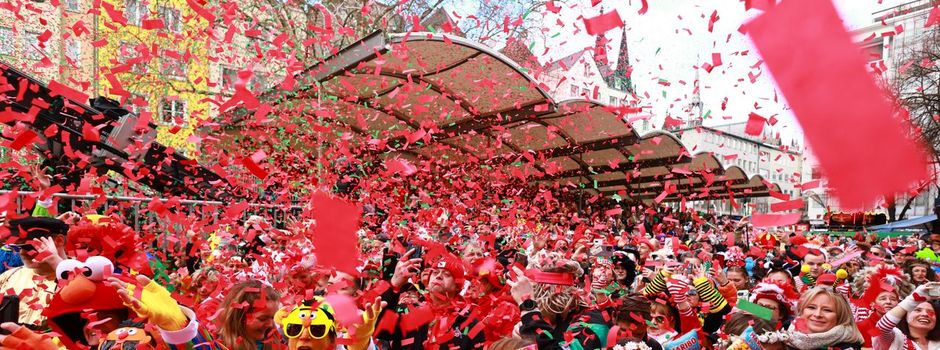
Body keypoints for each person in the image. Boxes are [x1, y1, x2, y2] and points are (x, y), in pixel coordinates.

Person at [0, 217, 68, 327]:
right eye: (18, 247)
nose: (22, 253)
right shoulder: (9, 277)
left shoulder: (82, 278)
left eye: (29, 247)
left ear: (59, 241)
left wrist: (57, 264)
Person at [853, 265, 912, 348]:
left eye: (893, 299)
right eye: (883, 299)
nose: (888, 302)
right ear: (872, 303)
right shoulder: (861, 326)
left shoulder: (907, 324)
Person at [787, 287, 864, 350]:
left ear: (841, 316)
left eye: (827, 310)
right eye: (811, 307)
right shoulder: (784, 338)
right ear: (801, 311)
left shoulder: (848, 347)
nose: (817, 314)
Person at [215, 280, 281, 350]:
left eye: (273, 318)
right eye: (262, 319)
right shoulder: (216, 346)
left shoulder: (275, 343)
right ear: (238, 317)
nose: (270, 325)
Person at [873, 282, 940, 350]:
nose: (925, 314)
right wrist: (913, 299)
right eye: (918, 310)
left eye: (930, 312)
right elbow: (880, 329)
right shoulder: (895, 339)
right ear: (905, 316)